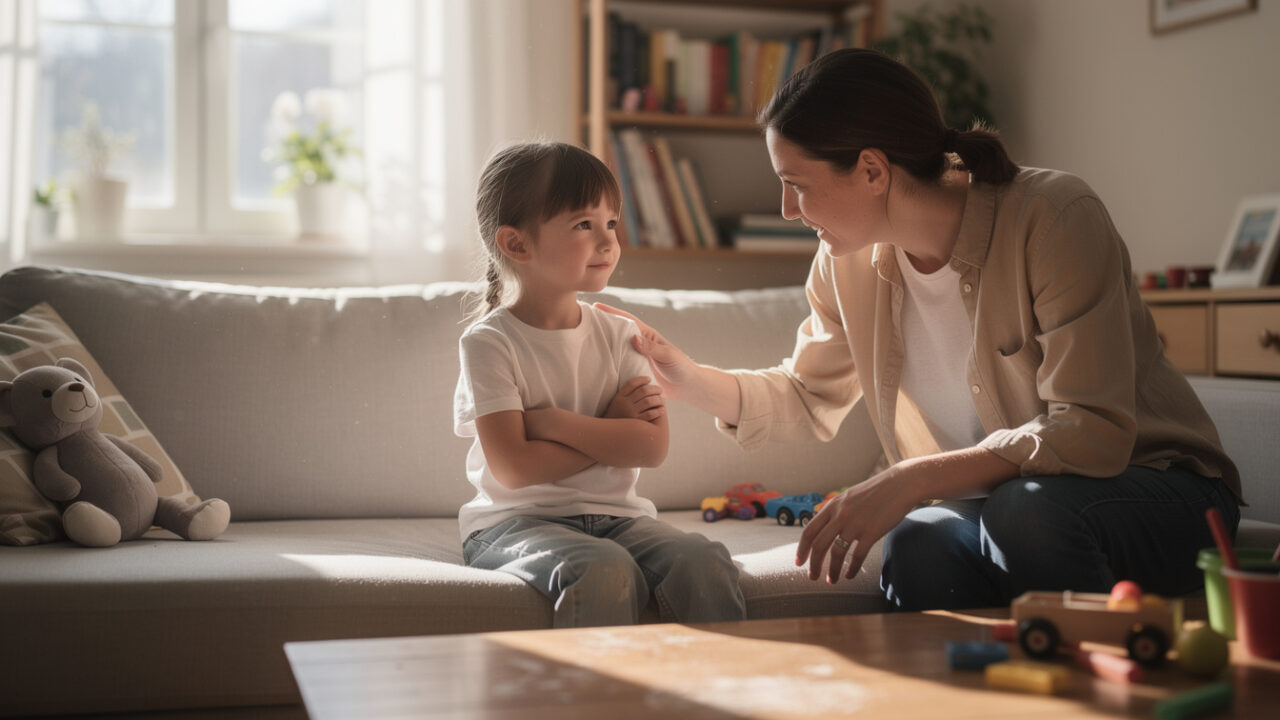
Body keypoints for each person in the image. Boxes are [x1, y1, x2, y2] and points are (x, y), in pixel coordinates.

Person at [600, 49, 1241, 611]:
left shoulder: (1053, 218)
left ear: (874, 170)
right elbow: (807, 393)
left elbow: (1093, 431)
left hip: (1155, 490)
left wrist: (914, 478)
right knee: (919, 546)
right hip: (1006, 506)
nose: (787, 211)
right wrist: (688, 379)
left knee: (1027, 514)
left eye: (796, 185)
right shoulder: (843, 261)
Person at [454, 141, 747, 626]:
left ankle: (715, 699)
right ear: (517, 243)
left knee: (705, 560)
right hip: (512, 526)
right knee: (604, 569)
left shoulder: (620, 333)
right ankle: (600, 701)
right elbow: (514, 469)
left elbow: (650, 448)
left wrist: (555, 424)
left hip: (620, 519)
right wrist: (610, 428)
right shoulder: (488, 343)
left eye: (610, 223)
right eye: (583, 225)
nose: (608, 241)